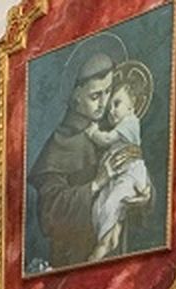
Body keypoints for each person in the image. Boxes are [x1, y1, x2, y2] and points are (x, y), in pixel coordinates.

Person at [28, 52, 145, 269]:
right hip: (75, 259)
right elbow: (49, 212)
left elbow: (131, 171)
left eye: (108, 92)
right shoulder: (60, 142)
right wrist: (96, 184)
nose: (104, 103)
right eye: (95, 96)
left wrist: (145, 195)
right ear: (76, 97)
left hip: (117, 255)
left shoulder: (114, 132)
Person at [86, 64, 154, 260]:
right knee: (100, 206)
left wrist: (93, 132)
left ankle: (103, 247)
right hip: (118, 175)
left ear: (132, 107)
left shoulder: (130, 122)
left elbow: (106, 139)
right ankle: (110, 238)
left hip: (130, 174)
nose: (111, 111)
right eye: (109, 107)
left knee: (111, 204)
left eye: (116, 104)